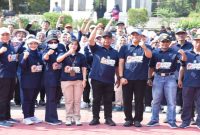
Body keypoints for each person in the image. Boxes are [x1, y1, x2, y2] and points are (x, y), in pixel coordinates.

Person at [146, 34, 186, 128]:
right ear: (159, 42)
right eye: (163, 41)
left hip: (170, 77)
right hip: (157, 77)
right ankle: (154, 119)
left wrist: (183, 54)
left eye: (167, 41)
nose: (164, 43)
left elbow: (183, 61)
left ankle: (171, 120)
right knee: (156, 100)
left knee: (171, 101)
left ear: (169, 43)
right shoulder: (155, 52)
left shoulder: (174, 51)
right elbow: (151, 67)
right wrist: (149, 78)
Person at [119, 29, 152, 127]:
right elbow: (121, 62)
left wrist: (144, 47)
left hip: (141, 79)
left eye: (137, 35)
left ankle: (138, 119)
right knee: (127, 100)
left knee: (139, 100)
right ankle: (128, 119)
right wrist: (121, 76)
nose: (135, 36)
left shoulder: (147, 46)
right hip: (127, 78)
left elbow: (149, 56)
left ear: (141, 36)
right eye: (133, 35)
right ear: (130, 36)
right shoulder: (124, 47)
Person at [88, 24, 119, 126]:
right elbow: (90, 41)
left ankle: (108, 118)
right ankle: (95, 118)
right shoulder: (96, 49)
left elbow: (116, 67)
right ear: (101, 40)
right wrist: (96, 28)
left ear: (112, 40)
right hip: (96, 79)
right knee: (96, 99)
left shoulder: (115, 52)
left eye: (109, 38)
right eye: (105, 38)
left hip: (109, 80)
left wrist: (118, 78)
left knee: (108, 100)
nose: (107, 40)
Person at [57, 39, 87, 126]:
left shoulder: (81, 56)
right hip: (66, 81)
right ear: (68, 45)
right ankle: (68, 118)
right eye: (71, 44)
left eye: (75, 44)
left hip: (78, 80)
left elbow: (84, 68)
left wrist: (84, 80)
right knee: (69, 100)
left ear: (78, 46)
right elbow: (58, 60)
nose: (73, 46)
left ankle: (77, 118)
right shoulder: (63, 54)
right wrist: (68, 53)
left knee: (77, 100)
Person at [178, 34, 200, 129]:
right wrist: (179, 79)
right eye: (196, 41)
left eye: (199, 41)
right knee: (187, 103)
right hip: (188, 83)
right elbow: (182, 66)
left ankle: (199, 122)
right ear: (193, 42)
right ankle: (185, 121)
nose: (198, 43)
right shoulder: (187, 53)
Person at [43, 34, 65, 125]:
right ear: (47, 43)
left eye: (55, 42)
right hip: (49, 78)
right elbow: (44, 58)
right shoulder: (46, 50)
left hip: (59, 78)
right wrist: (48, 54)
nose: (53, 43)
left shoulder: (60, 49)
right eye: (51, 42)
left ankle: (52, 117)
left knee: (56, 98)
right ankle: (50, 118)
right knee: (50, 98)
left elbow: (61, 60)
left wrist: (59, 65)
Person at [20, 38, 43, 125]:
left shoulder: (39, 54)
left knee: (33, 99)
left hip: (37, 80)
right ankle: (26, 117)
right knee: (27, 99)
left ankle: (32, 115)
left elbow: (42, 65)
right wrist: (25, 58)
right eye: (31, 44)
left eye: (35, 43)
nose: (33, 45)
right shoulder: (25, 53)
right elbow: (21, 66)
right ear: (28, 44)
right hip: (27, 80)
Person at [0, 27, 18, 127]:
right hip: (2, 75)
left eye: (7, 34)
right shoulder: (1, 46)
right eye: (3, 34)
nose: (5, 36)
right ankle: (1, 119)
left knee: (8, 97)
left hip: (11, 74)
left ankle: (7, 116)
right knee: (2, 97)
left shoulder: (10, 46)